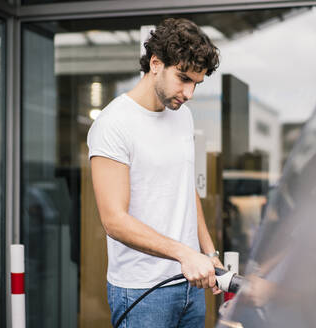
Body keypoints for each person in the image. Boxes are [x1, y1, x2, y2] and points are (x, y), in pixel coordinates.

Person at [87, 18, 222, 327]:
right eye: (183, 79)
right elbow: (114, 221)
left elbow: (187, 192)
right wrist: (184, 255)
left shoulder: (183, 117)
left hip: (190, 286)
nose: (189, 93)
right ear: (156, 62)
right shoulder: (113, 124)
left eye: (196, 84)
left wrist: (208, 252)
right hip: (143, 292)